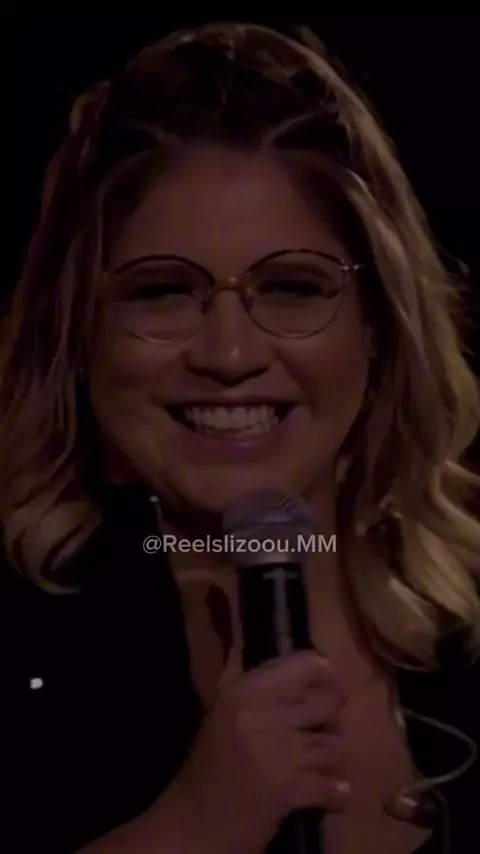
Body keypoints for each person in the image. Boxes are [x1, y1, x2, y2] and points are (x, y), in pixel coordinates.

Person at [1, 21, 479, 854]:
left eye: (292, 288)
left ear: (378, 325)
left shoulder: (467, 626)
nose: (229, 355)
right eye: (161, 292)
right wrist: (195, 826)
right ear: (79, 334)